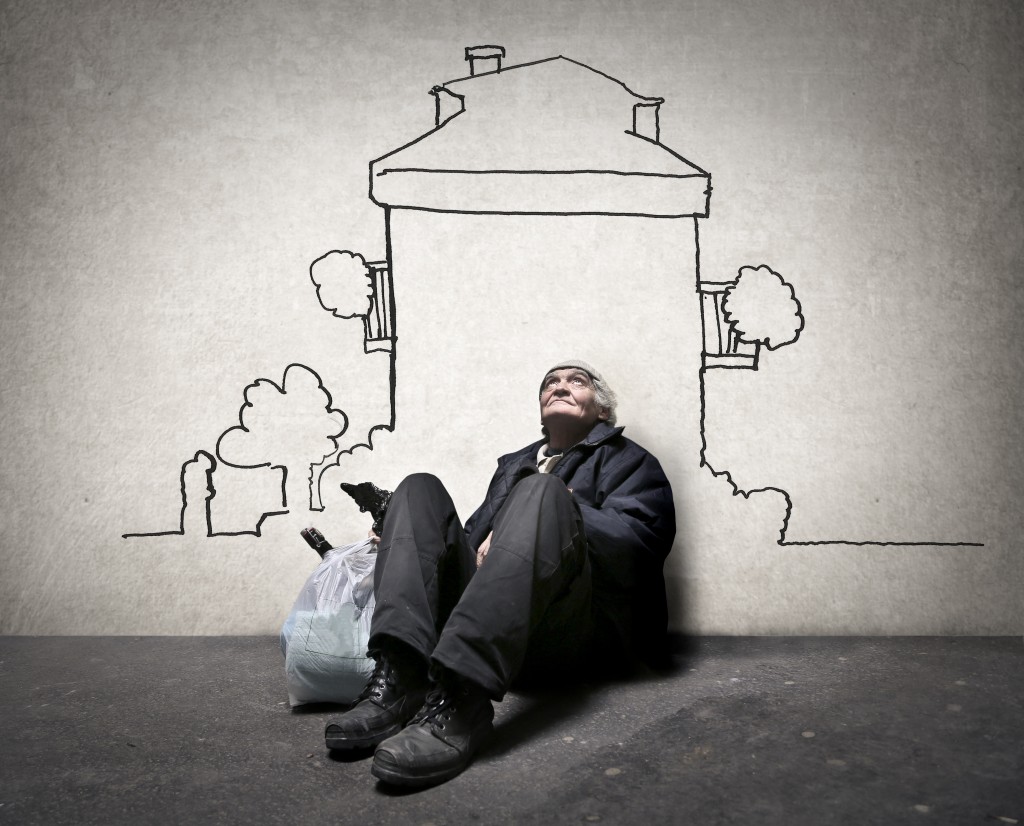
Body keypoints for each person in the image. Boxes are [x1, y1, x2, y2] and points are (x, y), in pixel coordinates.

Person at [324, 359, 676, 788]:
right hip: (494, 621)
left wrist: (563, 507)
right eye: (551, 382)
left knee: (543, 491)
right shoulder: (515, 464)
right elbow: (471, 542)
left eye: (577, 381)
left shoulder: (631, 462)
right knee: (416, 490)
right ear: (541, 406)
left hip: (567, 628)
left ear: (602, 411)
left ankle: (462, 699)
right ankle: (402, 675)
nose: (561, 386)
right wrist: (404, 536)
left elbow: (641, 545)